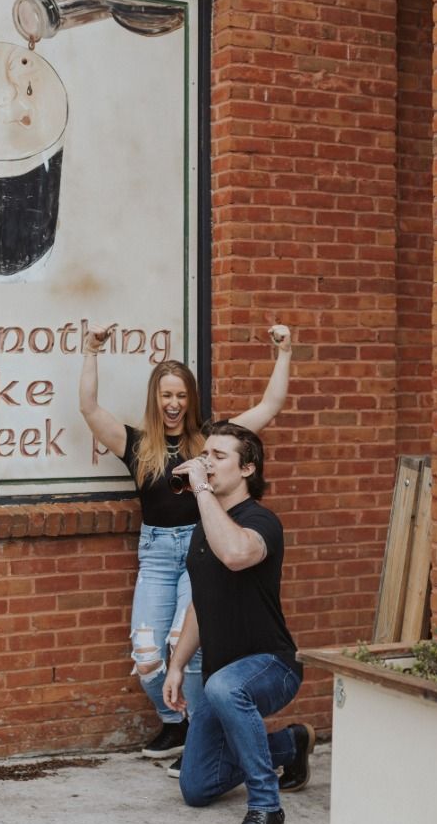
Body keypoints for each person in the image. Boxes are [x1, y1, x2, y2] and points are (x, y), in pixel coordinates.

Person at [77, 322, 292, 766]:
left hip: (201, 552)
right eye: (166, 395)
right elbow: (89, 408)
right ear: (156, 399)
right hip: (156, 554)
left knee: (186, 646)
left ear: (190, 399)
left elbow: (269, 407)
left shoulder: (209, 441)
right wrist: (90, 351)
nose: (173, 404)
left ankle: (197, 733)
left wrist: (285, 352)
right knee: (148, 652)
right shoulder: (136, 444)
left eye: (181, 395)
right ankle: (173, 722)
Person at [162, 421, 316, 824]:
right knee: (197, 787)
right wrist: (176, 664)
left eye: (218, 456)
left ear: (247, 468)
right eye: (204, 454)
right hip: (219, 678)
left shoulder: (263, 521)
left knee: (226, 687)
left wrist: (202, 492)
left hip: (272, 665)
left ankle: (267, 810)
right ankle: (289, 745)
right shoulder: (204, 526)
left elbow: (235, 555)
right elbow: (200, 602)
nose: (205, 462)